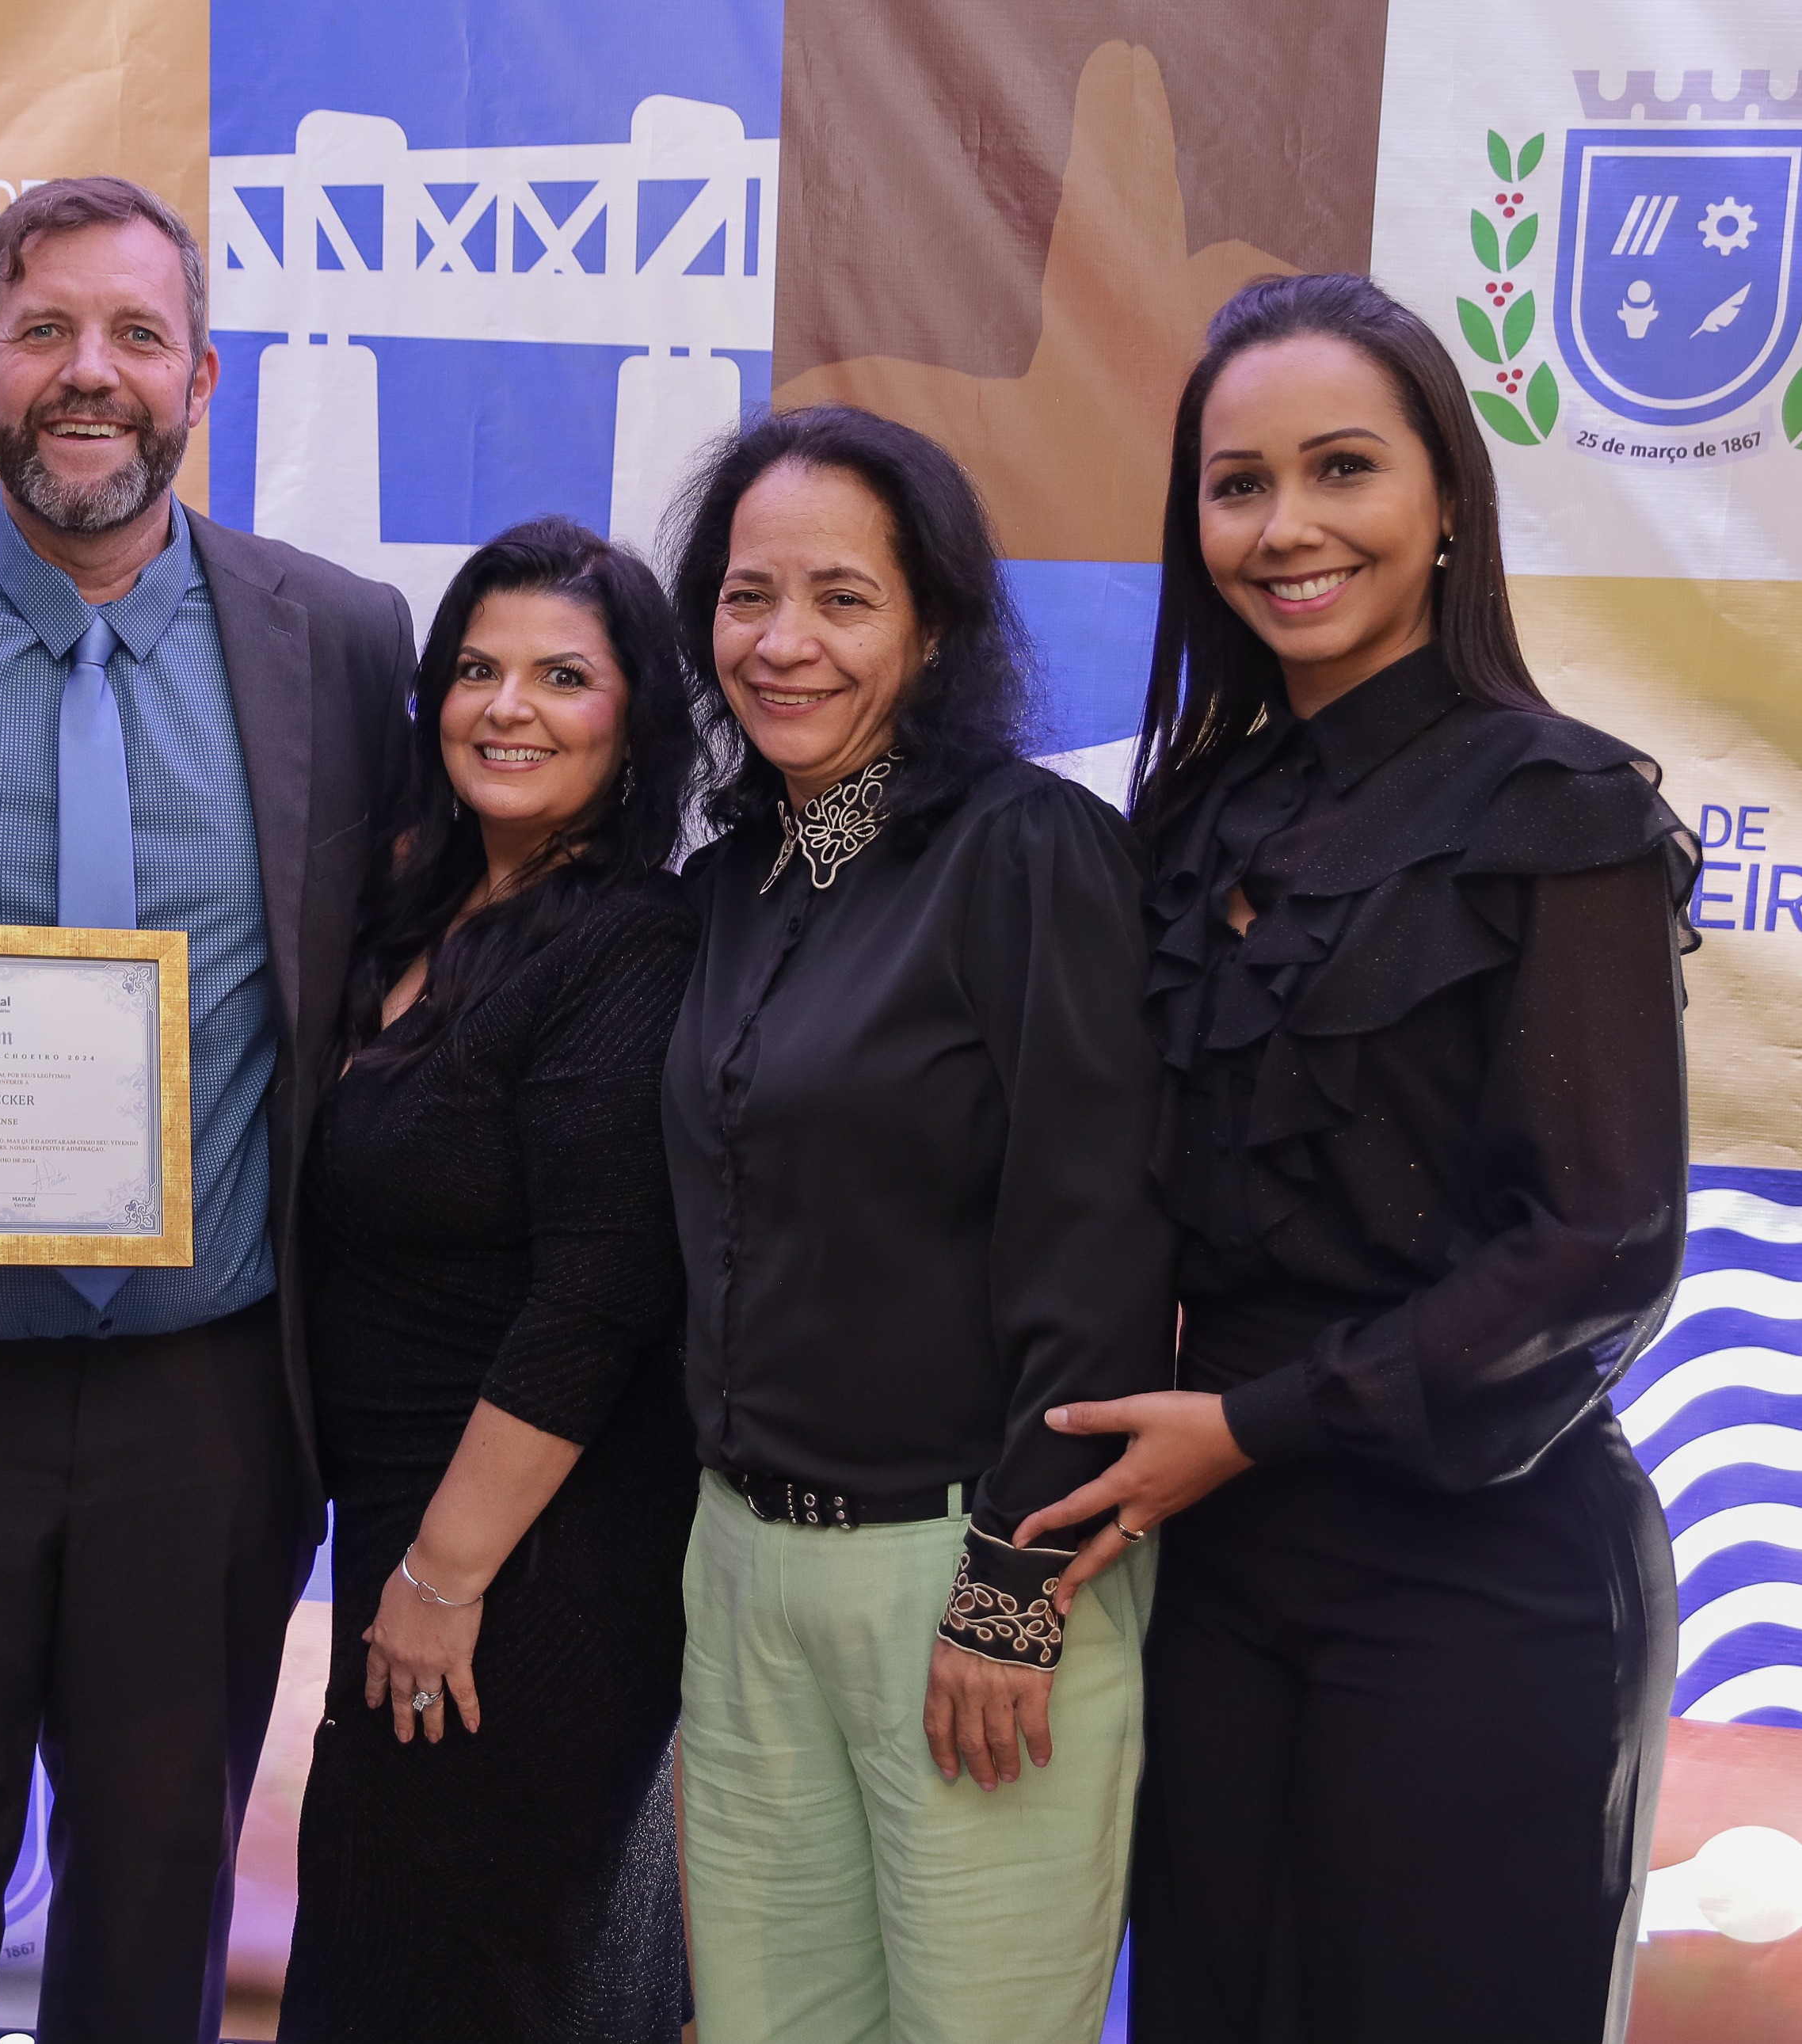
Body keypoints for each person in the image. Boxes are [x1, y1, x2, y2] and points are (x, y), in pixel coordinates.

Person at [0, 177, 415, 2040]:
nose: (87, 372)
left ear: (201, 377)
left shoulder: (341, 640)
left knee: (153, 1918)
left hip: (207, 1409)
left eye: (134, 334)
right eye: (44, 330)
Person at [1016, 272, 1693, 2040]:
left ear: (1446, 498)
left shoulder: (1560, 809)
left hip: (1480, 1564)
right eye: (1236, 485)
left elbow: (1605, 1240)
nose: (1285, 527)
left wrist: (1256, 1424)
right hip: (1215, 1572)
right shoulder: (1186, 817)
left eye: (1342, 468)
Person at [657, 405, 1175, 2044]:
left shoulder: (1028, 853)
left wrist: (1012, 1586)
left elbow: (1099, 1240)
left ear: (934, 627)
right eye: (747, 596)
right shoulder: (736, 882)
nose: (782, 641)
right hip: (743, 1571)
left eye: (842, 598)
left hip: (963, 1571)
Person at [277, 520, 705, 2044]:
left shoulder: (631, 943)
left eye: (563, 676)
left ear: (637, 719)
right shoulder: (422, 910)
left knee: (469, 1980)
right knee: (385, 1959)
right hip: (412, 1534)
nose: (507, 706)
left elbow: (595, 1300)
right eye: (477, 668)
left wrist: (444, 1578)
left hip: (526, 1566)